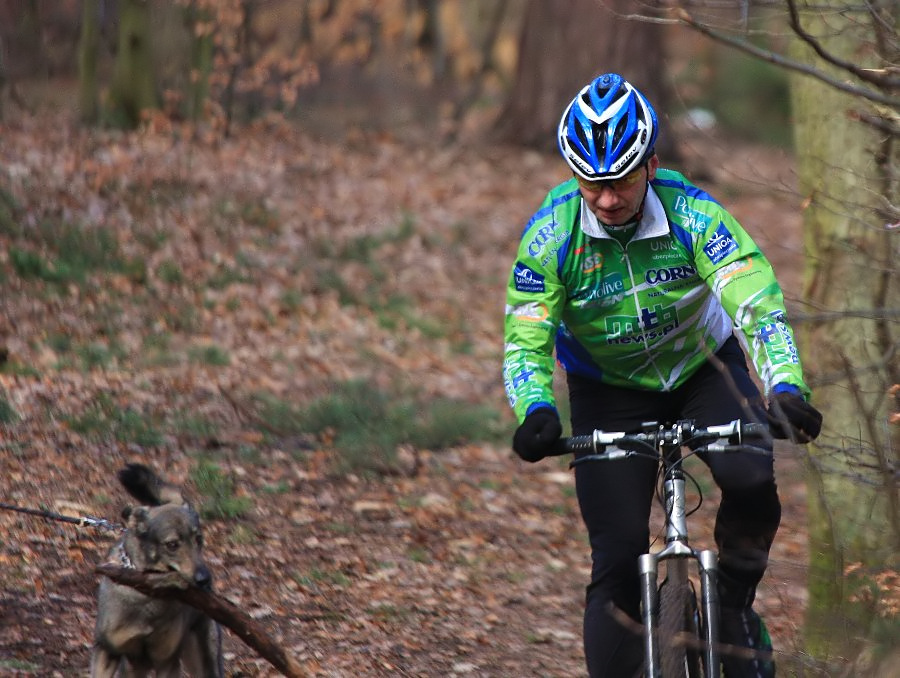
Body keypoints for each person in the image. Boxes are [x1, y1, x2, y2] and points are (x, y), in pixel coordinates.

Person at [502, 73, 822, 678]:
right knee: (618, 558)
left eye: (619, 179)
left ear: (650, 164)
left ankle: (731, 605)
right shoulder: (550, 236)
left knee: (750, 481)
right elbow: (526, 340)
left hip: (704, 368)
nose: (604, 198)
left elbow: (756, 304)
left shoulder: (695, 216)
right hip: (607, 388)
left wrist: (785, 387)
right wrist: (535, 410)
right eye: (589, 182)